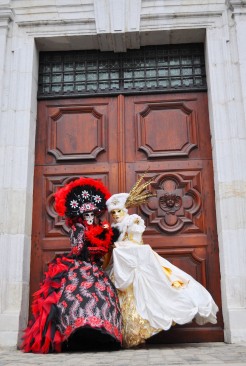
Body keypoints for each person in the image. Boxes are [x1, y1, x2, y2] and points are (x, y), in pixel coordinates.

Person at [105, 174, 218, 348]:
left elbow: (136, 241)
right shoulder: (112, 227)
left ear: (125, 210)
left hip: (137, 262)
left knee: (155, 292)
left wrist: (121, 246)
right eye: (112, 212)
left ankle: (141, 332)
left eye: (118, 211)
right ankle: (127, 334)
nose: (115, 215)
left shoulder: (133, 221)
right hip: (120, 266)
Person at [21, 177, 122, 353]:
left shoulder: (101, 228)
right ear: (81, 216)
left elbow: (104, 247)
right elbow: (77, 250)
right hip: (78, 268)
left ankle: (102, 335)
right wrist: (91, 246)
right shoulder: (78, 229)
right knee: (77, 295)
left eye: (92, 215)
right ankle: (77, 336)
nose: (90, 218)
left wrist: (108, 238)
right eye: (86, 215)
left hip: (95, 268)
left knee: (103, 295)